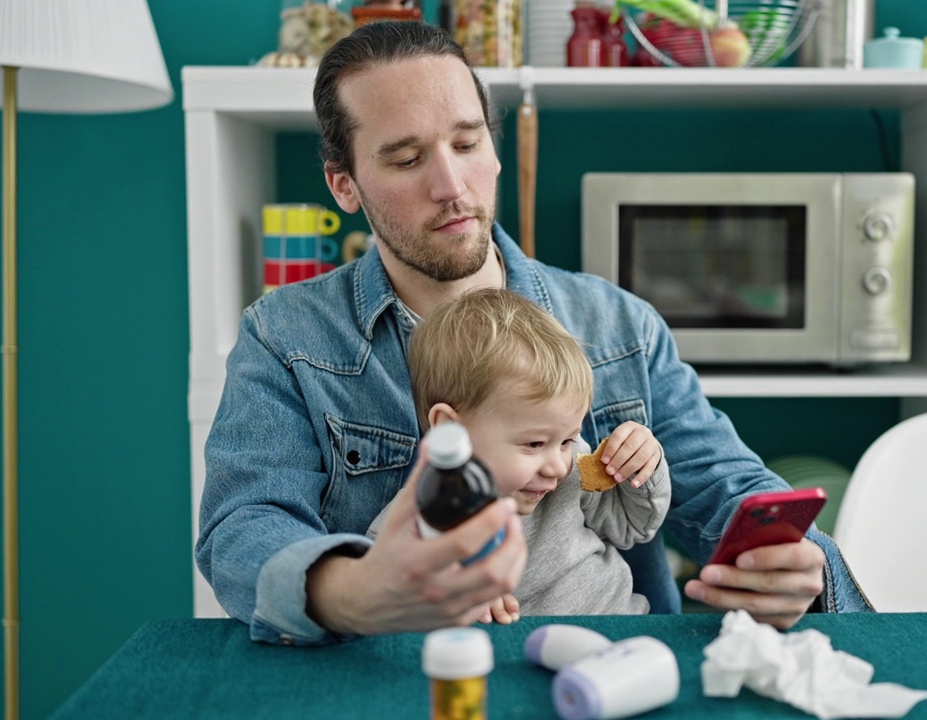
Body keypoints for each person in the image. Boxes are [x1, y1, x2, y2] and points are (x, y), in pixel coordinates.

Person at [196, 20, 871, 646]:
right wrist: (355, 594)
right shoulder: (284, 339)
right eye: (405, 160)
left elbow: (726, 487)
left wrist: (796, 565)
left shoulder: (619, 328)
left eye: (467, 142)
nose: (452, 185)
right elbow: (243, 530)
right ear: (344, 185)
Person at [369, 287, 670, 622]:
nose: (557, 466)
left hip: (620, 628)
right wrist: (442, 596)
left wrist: (644, 466)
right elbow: (382, 583)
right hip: (521, 654)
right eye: (534, 445)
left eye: (568, 440)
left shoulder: (572, 469)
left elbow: (631, 527)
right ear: (450, 431)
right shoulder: (421, 514)